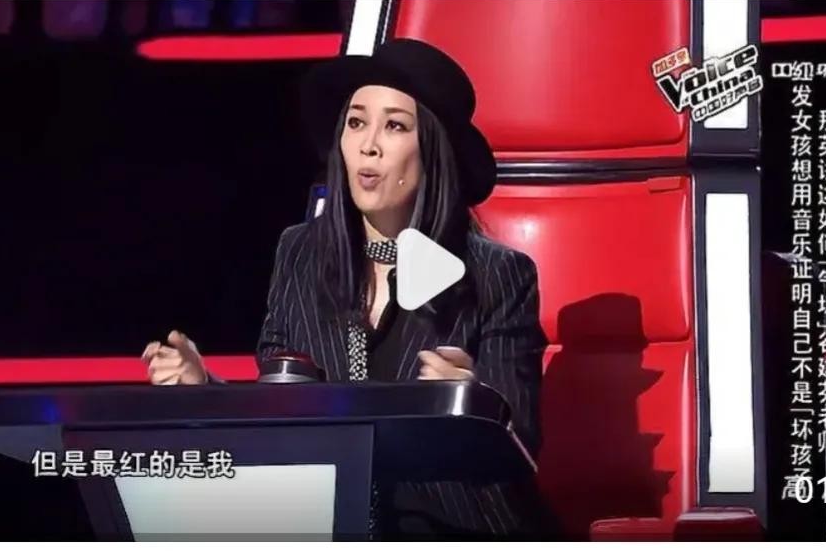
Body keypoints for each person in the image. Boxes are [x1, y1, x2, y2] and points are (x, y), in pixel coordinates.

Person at [142, 38, 550, 538]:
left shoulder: (496, 274)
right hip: (328, 524)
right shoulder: (300, 253)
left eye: (395, 126)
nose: (368, 145)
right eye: (356, 122)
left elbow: (521, 446)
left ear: (433, 151)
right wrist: (203, 391)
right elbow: (280, 411)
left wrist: (472, 409)